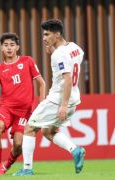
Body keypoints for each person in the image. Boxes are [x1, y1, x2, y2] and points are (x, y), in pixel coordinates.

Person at [13, 19, 85, 176]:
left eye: (47, 34)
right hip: (74, 98)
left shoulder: (58, 55)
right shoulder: (75, 48)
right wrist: (54, 50)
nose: (44, 38)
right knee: (48, 131)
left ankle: (27, 169)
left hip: (58, 99)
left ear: (57, 34)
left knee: (29, 128)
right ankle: (75, 150)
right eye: (43, 34)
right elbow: (73, 61)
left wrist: (63, 105)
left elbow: (67, 78)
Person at [0, 32, 46, 175]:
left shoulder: (27, 61)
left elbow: (41, 83)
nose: (9, 48)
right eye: (6, 45)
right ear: (1, 48)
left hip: (24, 111)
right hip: (6, 108)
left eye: (12, 45)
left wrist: (42, 103)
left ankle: (7, 165)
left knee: (18, 145)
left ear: (17, 47)